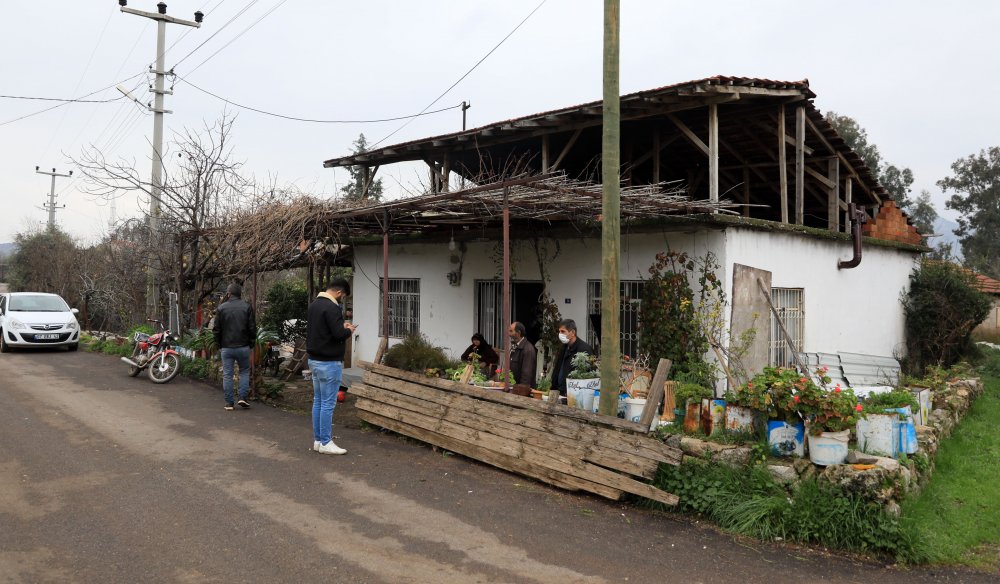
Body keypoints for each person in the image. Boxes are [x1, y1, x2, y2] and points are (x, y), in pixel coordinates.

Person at [307, 277, 357, 455]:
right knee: (328, 404)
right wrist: (348, 330)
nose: (341, 299)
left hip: (314, 360)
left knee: (318, 401)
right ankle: (327, 442)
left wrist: (340, 326)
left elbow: (324, 329)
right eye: (342, 296)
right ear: (339, 292)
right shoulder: (333, 307)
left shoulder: (314, 305)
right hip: (329, 362)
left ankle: (318, 440)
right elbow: (338, 334)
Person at [212, 283, 257, 411]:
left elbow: (216, 330)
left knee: (227, 375)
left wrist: (219, 345)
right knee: (244, 371)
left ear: (229, 293)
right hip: (243, 346)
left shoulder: (221, 308)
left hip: (226, 347)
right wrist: (251, 343)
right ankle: (242, 397)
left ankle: (229, 403)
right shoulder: (247, 307)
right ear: (240, 294)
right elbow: (252, 328)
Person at [550, 318, 593, 396]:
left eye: (563, 331)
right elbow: (558, 369)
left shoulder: (584, 349)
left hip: (573, 394)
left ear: (573, 332)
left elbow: (586, 375)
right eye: (559, 331)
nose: (560, 334)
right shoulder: (563, 347)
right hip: (559, 392)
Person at [507, 321, 537, 387]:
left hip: (521, 391)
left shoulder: (528, 349)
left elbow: (526, 375)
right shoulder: (515, 346)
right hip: (513, 387)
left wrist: (521, 391)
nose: (509, 333)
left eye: (511, 331)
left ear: (518, 333)